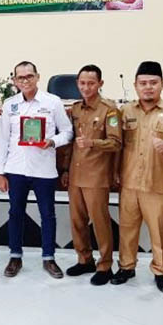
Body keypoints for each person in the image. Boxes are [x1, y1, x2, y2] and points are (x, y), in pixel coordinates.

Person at [111, 61, 163, 293]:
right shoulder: (125, 111)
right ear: (135, 85)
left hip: (158, 184)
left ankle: (161, 272)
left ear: (162, 84)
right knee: (127, 229)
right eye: (143, 83)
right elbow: (118, 144)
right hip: (130, 182)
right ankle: (126, 267)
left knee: (160, 232)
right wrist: (115, 171)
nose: (148, 87)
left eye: (153, 83)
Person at [0, 61, 73, 279]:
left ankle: (49, 257)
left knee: (48, 215)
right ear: (14, 80)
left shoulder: (53, 102)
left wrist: (53, 141)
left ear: (38, 77)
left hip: (44, 169)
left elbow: (67, 132)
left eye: (29, 76)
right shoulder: (10, 105)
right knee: (15, 213)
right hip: (15, 168)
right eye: (21, 77)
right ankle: (15, 256)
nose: (25, 81)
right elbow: (3, 140)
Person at [60, 64, 121, 285]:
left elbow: (116, 143)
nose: (86, 88)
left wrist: (93, 143)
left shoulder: (109, 110)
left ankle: (105, 265)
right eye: (82, 83)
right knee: (77, 221)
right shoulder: (75, 109)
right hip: (76, 173)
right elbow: (71, 143)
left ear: (100, 84)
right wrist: (66, 169)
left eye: (91, 83)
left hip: (96, 175)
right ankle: (84, 259)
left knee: (100, 222)